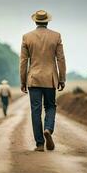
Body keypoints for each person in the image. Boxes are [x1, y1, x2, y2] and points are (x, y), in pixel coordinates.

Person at [20, 10, 66, 152]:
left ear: (35, 21)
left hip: (34, 79)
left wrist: (23, 81)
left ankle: (39, 144)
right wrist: (62, 78)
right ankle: (48, 129)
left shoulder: (27, 37)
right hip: (50, 79)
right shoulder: (56, 36)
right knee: (50, 106)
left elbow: (23, 62)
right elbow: (61, 59)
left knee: (35, 110)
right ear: (47, 21)